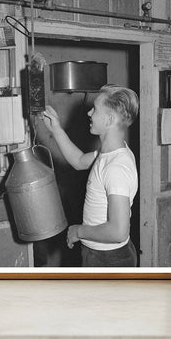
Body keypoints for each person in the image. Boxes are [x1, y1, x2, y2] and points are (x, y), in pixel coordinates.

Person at [42, 84, 139, 267]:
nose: (89, 114)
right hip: (100, 253)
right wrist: (56, 129)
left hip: (108, 259)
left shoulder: (115, 168)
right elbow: (78, 160)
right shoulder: (109, 153)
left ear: (109, 119)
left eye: (95, 109)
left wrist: (78, 231)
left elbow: (118, 232)